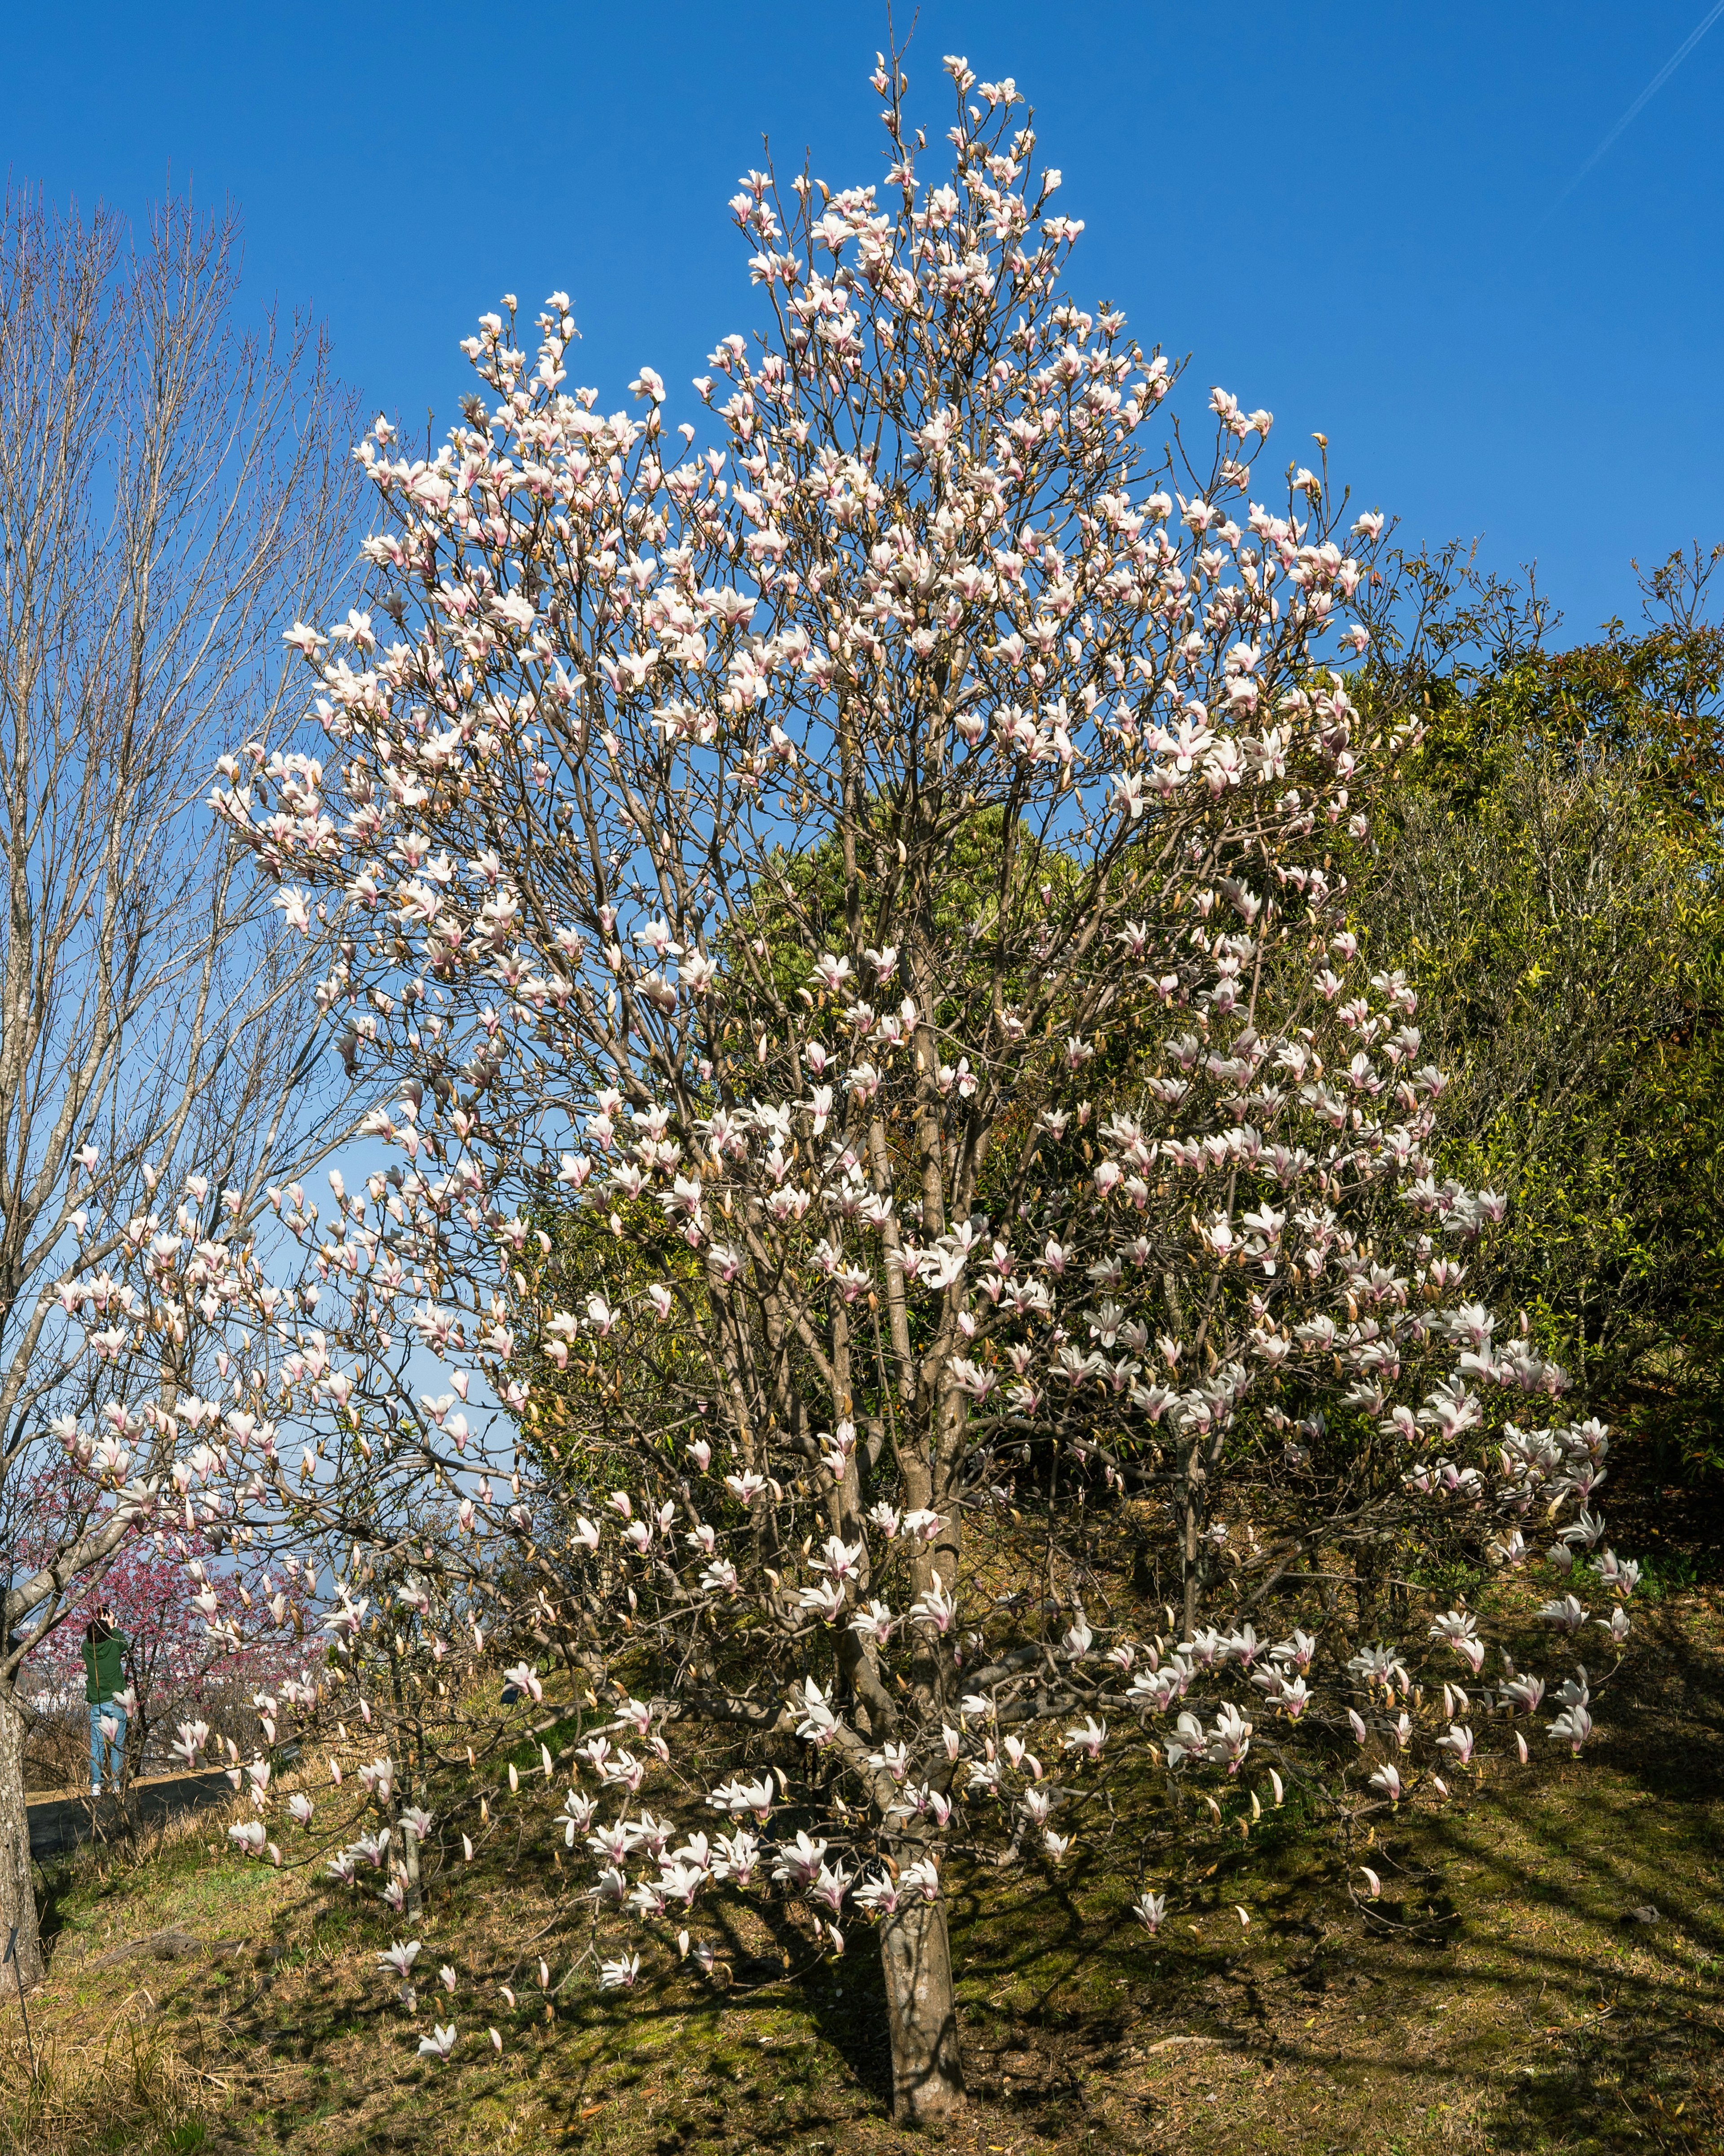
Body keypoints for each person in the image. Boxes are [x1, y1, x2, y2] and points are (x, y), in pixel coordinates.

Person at [82, 1605, 129, 1796]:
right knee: (117, 1746)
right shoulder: (113, 1643)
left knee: (97, 1746)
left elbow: (93, 1638)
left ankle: (96, 1786)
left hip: (98, 1703)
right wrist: (112, 1625)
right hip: (117, 1701)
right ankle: (116, 1784)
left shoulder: (86, 1649)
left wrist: (101, 1625)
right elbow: (124, 1644)